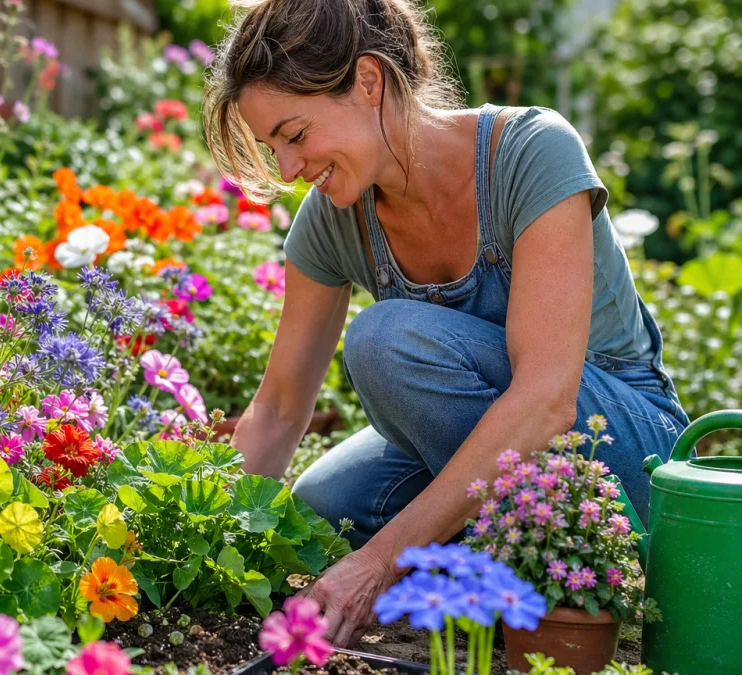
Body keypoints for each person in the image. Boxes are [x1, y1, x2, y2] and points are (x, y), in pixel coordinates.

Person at [202, 0, 689, 648]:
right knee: (323, 505)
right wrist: (199, 545)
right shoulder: (332, 218)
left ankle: (562, 564)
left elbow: (547, 400)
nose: (288, 169)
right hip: (507, 460)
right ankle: (501, 560)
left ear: (369, 82)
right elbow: (281, 408)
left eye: (295, 135)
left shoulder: (531, 153)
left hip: (618, 453)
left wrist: (381, 562)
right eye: (273, 148)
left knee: (384, 340)